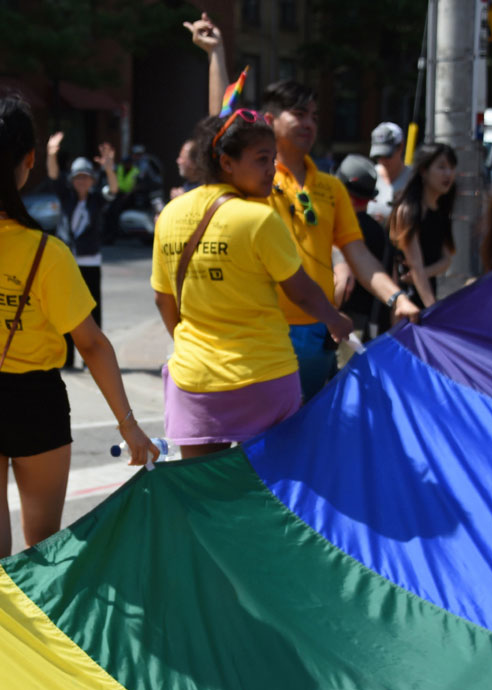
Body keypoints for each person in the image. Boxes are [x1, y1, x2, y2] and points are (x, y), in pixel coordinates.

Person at [0, 51, 157, 560]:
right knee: (43, 552)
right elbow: (94, 345)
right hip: (36, 401)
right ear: (30, 160)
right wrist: (129, 426)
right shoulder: (47, 254)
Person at [187, 14, 421, 400]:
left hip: (319, 331)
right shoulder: (252, 179)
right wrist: (216, 54)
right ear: (269, 120)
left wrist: (397, 298)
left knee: (310, 438)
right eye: (299, 113)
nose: (309, 123)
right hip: (263, 333)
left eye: (314, 115)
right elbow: (220, 128)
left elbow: (359, 254)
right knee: (265, 442)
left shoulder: (331, 187)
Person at [152, 111, 352, 459]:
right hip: (263, 378)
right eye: (262, 159)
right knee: (273, 493)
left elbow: (163, 299)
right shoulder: (259, 219)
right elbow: (301, 290)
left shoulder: (170, 213)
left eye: (272, 159)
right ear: (227, 162)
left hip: (195, 382)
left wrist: (193, 345)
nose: (271, 170)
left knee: (206, 494)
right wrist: (333, 318)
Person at [46, 130, 118, 369]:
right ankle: (66, 358)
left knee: (91, 309)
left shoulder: (97, 199)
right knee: (64, 309)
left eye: (86, 177)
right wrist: (51, 153)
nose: (82, 181)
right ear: (72, 180)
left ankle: (91, 357)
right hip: (67, 260)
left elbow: (114, 190)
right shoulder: (66, 197)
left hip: (90, 260)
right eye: (78, 177)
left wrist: (109, 167)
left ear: (92, 180)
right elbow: (53, 175)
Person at [386, 143, 458, 311]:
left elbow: (446, 260)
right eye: (441, 167)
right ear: (424, 171)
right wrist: (432, 310)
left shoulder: (441, 210)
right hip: (404, 301)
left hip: (424, 293)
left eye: (451, 167)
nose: (448, 174)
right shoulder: (408, 210)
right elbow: (414, 264)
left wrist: (423, 273)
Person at [332, 154, 386, 348]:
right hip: (369, 319)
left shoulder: (339, 227)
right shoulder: (378, 230)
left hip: (341, 321)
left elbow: (343, 283)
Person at [367, 122, 411, 227]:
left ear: (401, 147)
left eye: (387, 155)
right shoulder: (368, 176)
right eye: (378, 156)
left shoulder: (414, 178)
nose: (383, 160)